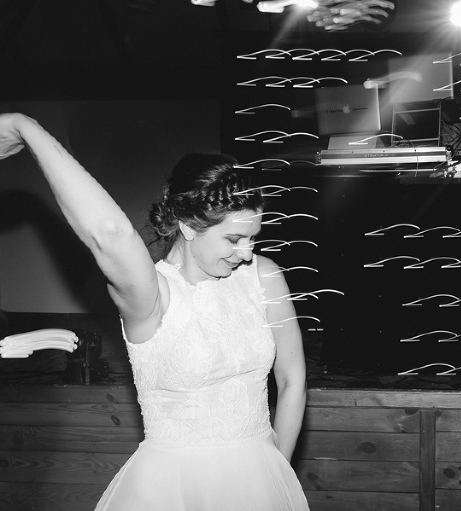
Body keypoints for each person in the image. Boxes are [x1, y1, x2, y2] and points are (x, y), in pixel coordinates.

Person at [0, 113, 310, 511]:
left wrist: (277, 471)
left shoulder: (263, 276)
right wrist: (25, 128)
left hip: (261, 483)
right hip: (173, 490)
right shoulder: (151, 297)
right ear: (188, 226)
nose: (247, 252)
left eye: (253, 238)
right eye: (234, 238)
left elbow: (292, 379)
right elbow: (110, 233)